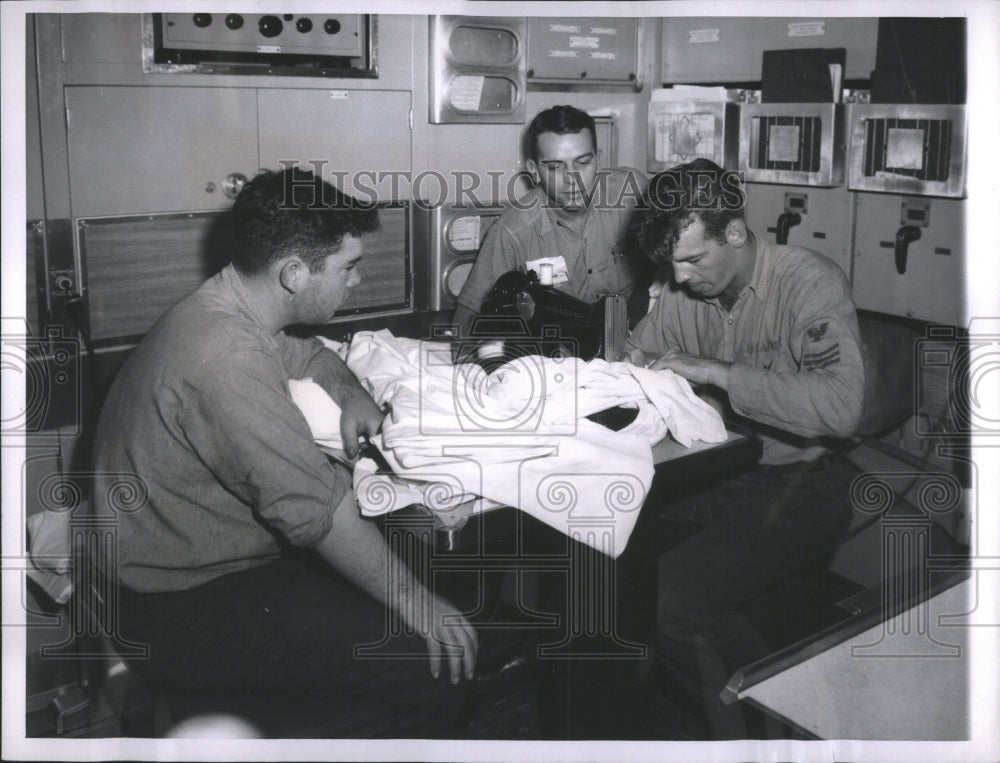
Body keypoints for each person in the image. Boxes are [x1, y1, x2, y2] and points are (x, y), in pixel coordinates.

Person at [92, 168, 477, 738]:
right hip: (178, 609)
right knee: (433, 661)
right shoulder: (224, 359)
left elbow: (310, 355)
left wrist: (351, 395)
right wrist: (421, 608)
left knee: (395, 566)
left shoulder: (232, 306)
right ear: (293, 274)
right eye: (347, 266)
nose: (356, 280)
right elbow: (319, 517)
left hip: (182, 574)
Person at [624, 158, 865, 739]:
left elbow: (841, 407)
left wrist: (716, 370)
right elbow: (631, 365)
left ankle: (775, 734)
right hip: (712, 479)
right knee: (599, 559)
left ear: (734, 233)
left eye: (691, 258)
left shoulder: (807, 282)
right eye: (670, 263)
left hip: (802, 483)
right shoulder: (683, 291)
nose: (679, 279)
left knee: (669, 604)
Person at [453, 104, 649, 340]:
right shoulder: (512, 231)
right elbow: (465, 324)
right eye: (556, 167)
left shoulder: (634, 192)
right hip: (563, 356)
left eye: (583, 162)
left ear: (599, 159)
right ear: (534, 171)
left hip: (640, 337)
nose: (572, 179)